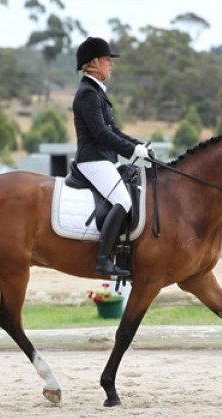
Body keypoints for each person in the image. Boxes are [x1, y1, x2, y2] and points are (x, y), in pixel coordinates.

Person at [72, 36, 152, 277]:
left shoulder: (97, 92)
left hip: (104, 159)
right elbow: (100, 133)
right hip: (92, 160)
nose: (111, 64)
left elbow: (113, 130)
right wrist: (131, 151)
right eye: (108, 60)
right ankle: (103, 261)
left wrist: (140, 146)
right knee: (123, 201)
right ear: (94, 62)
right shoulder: (87, 93)